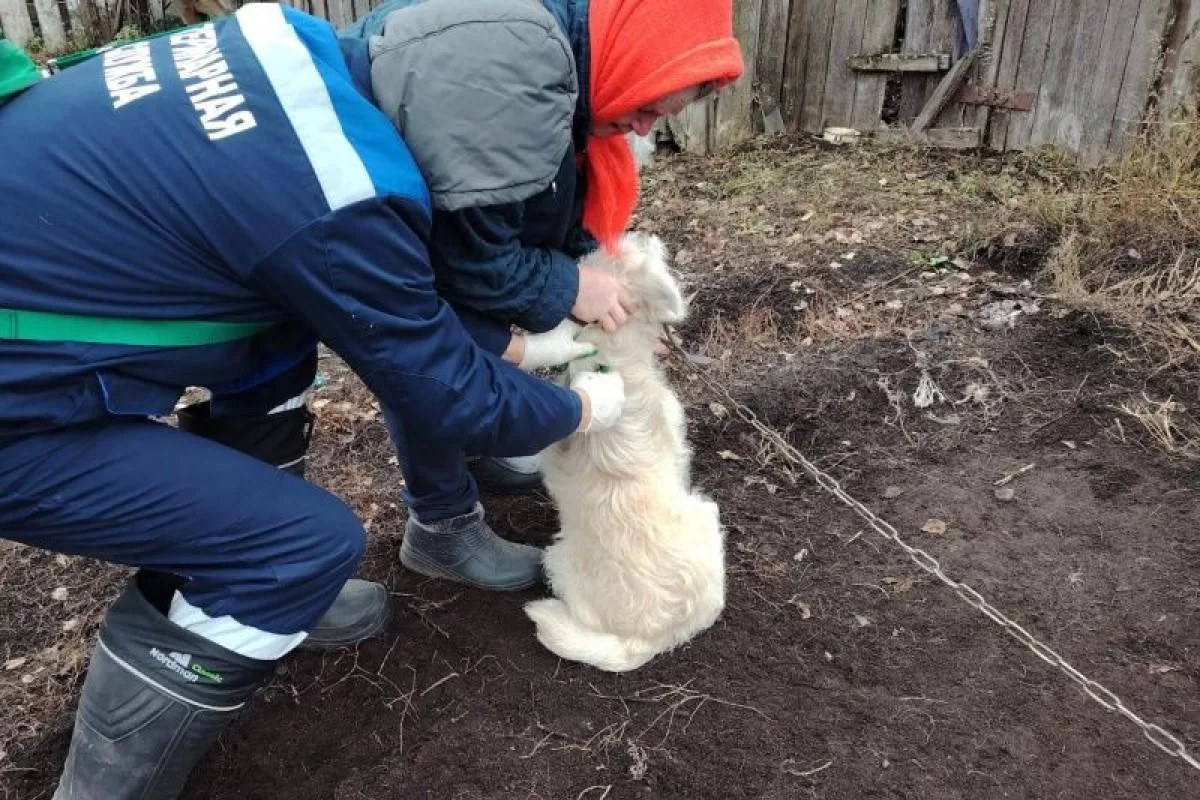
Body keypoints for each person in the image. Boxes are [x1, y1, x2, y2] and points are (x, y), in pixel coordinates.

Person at [0, 1, 741, 797]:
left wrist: (532, 348)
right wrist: (584, 410)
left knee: (276, 342)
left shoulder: (305, 54)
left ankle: (255, 581)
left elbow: (396, 309)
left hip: (44, 281)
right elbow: (444, 387)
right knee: (304, 544)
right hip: (19, 410)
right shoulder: (342, 199)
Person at [339, 0, 745, 591]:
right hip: (343, 213)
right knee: (430, 353)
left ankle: (474, 448)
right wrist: (569, 286)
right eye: (645, 107)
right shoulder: (514, 73)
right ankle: (442, 525)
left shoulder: (566, 66)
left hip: (411, 206)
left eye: (658, 117)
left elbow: (539, 204)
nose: (643, 129)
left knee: (465, 336)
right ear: (629, 58)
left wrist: (595, 288)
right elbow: (466, 263)